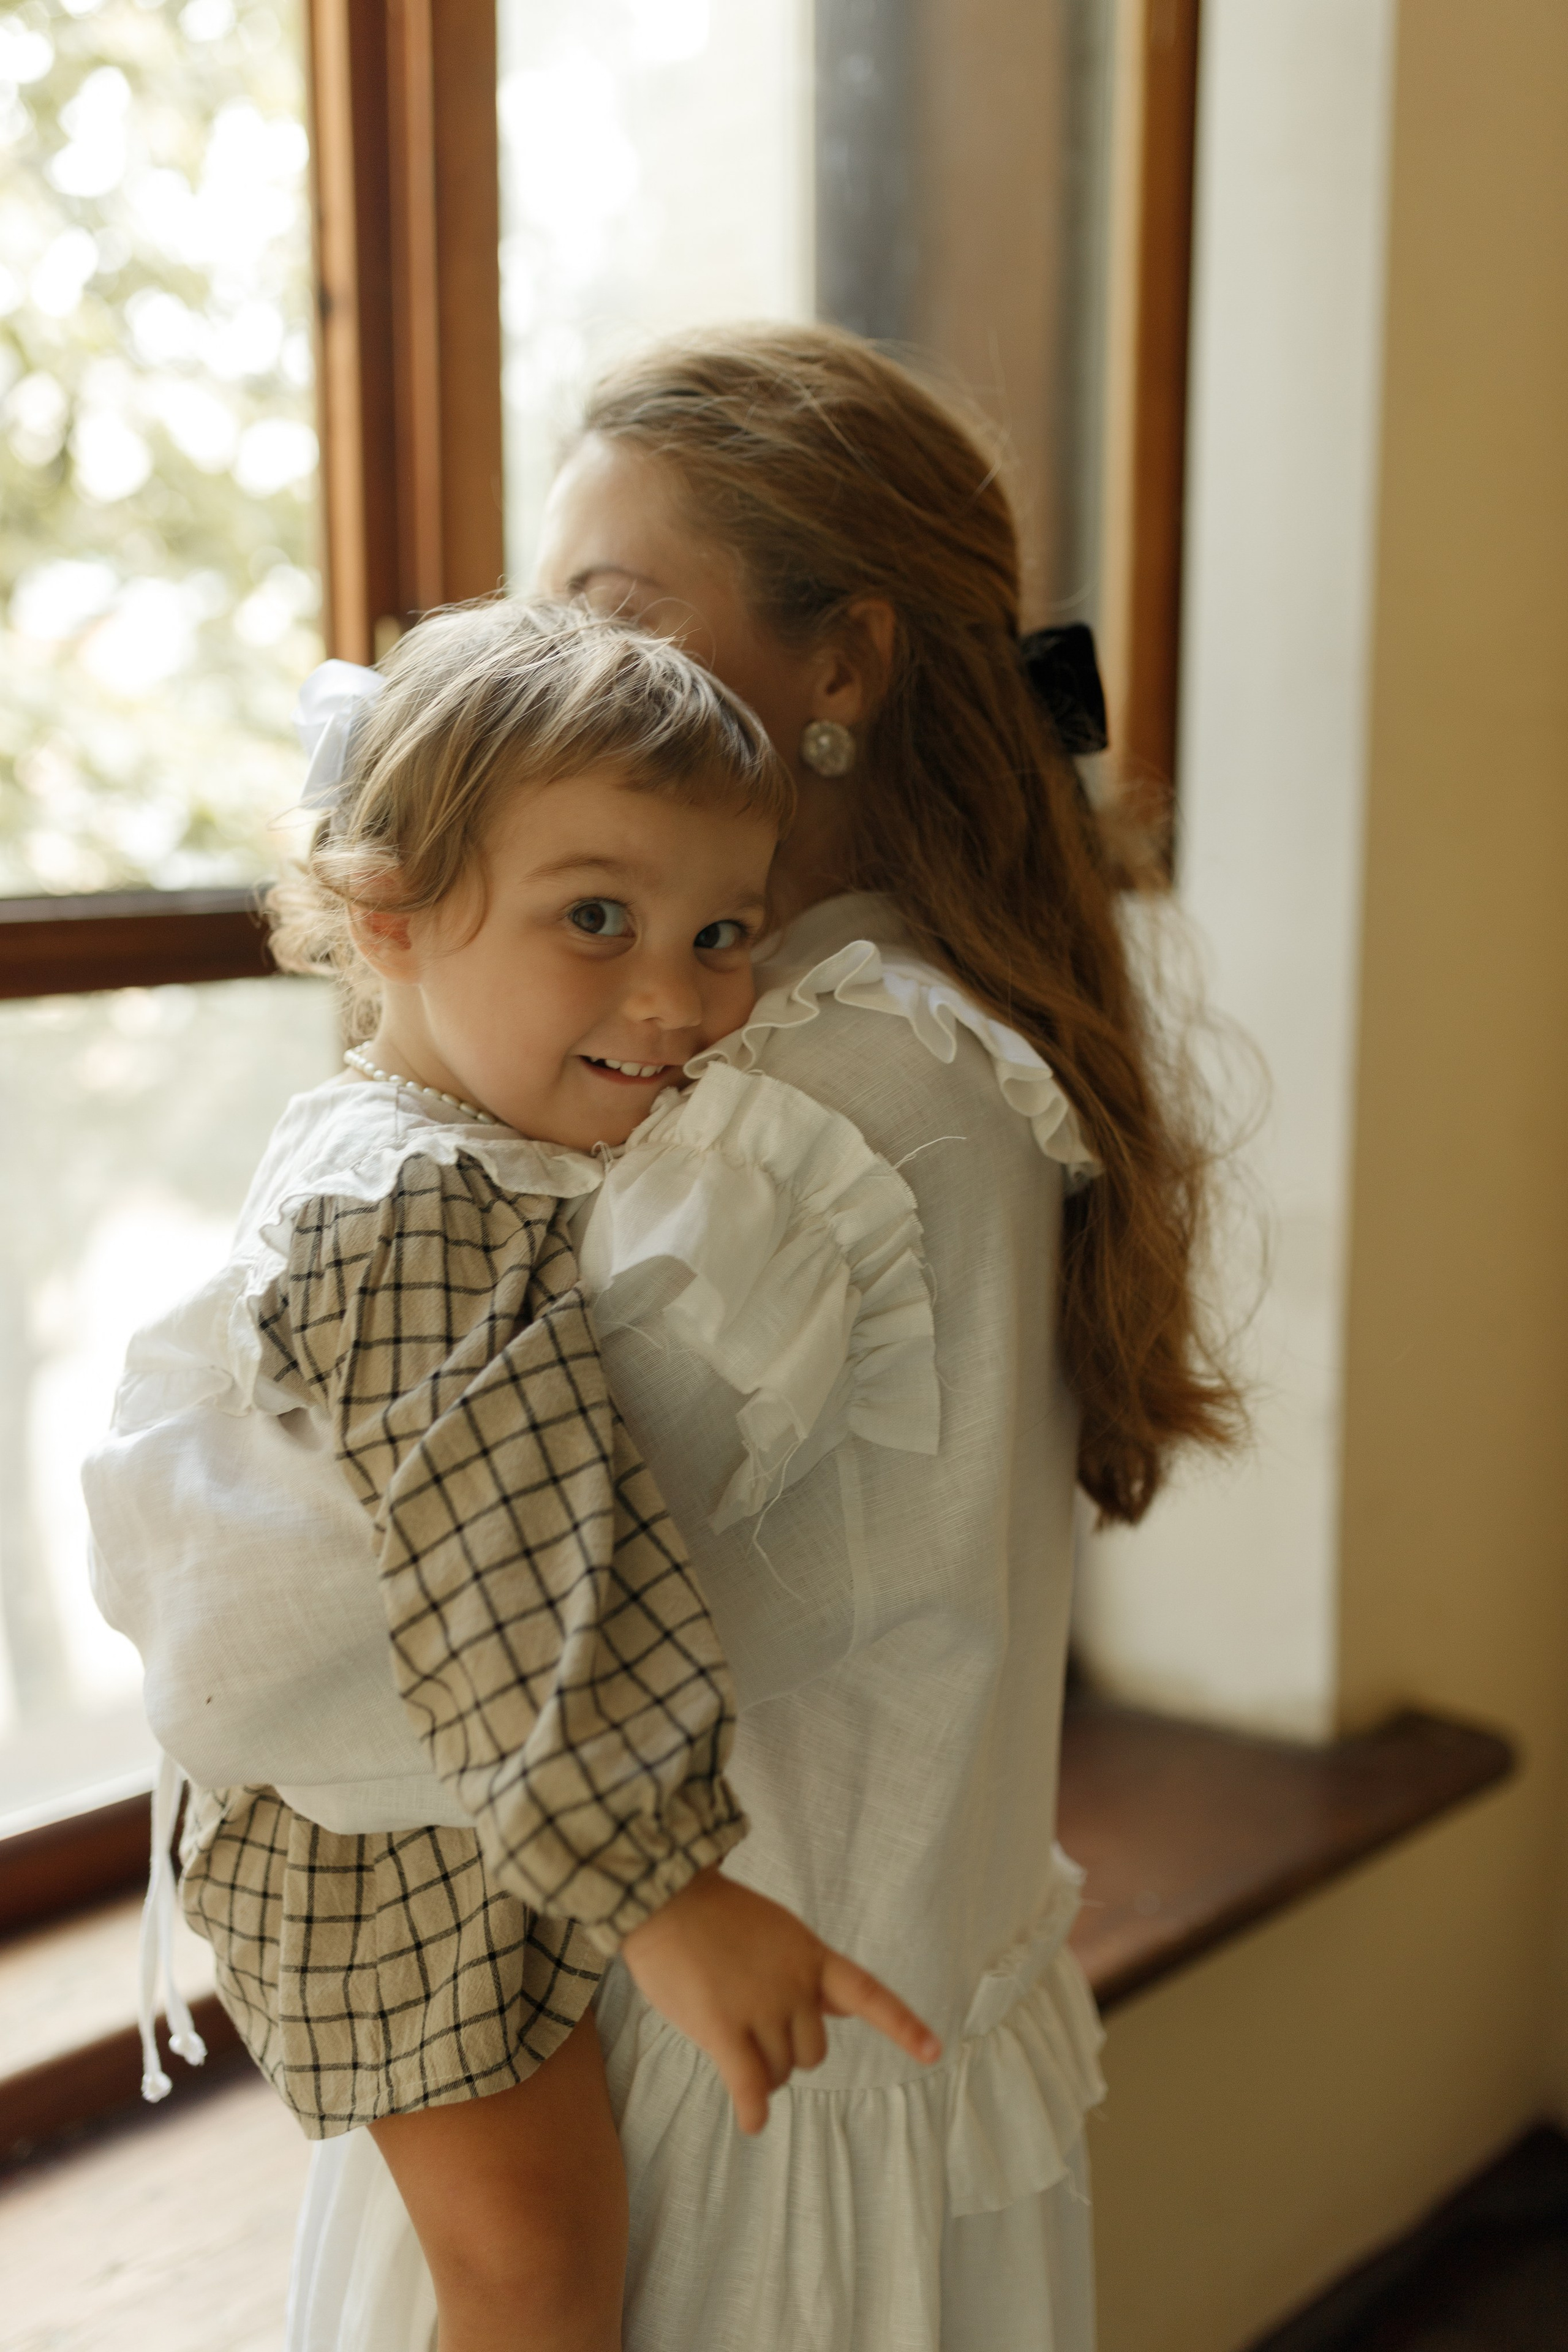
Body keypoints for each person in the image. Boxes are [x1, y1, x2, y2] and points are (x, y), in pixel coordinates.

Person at [278, 322, 1242, 2352]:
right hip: (788, 2050)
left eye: (615, 613)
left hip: (707, 2106)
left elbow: (352, 1614)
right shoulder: (820, 1040)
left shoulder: (820, 1108)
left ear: (847, 670)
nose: (555, 673)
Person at [83, 597, 940, 2352]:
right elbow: (505, 1532)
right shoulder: (412, 1208)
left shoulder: (458, 1136)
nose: (678, 994)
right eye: (596, 918)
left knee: (544, 2261)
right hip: (376, 1843)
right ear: (387, 915)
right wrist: (667, 1888)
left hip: (449, 1795)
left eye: (724, 930)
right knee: (532, 2274)